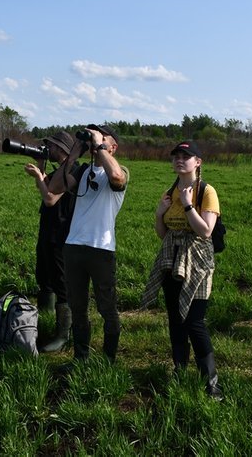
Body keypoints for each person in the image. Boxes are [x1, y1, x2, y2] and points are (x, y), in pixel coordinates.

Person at [142, 140, 223, 399]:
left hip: (197, 262)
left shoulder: (206, 191)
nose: (179, 159)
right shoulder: (169, 191)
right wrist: (159, 214)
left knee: (194, 322)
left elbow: (206, 231)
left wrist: (188, 205)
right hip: (171, 259)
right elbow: (162, 233)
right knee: (176, 320)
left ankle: (211, 382)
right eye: (176, 155)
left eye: (185, 156)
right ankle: (179, 372)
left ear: (198, 162)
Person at [47, 124, 128, 362]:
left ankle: (108, 360)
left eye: (102, 138)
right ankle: (80, 358)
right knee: (78, 307)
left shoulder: (120, 169)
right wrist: (73, 154)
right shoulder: (82, 171)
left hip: (101, 248)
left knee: (106, 307)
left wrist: (99, 144)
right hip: (73, 246)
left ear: (113, 147)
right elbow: (54, 188)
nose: (94, 142)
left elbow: (116, 178)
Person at [23, 131, 78, 353]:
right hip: (48, 229)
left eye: (51, 146)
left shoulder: (72, 171)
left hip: (61, 233)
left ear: (62, 148)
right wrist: (41, 166)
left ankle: (63, 334)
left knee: (60, 282)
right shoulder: (59, 171)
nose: (48, 149)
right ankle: (44, 321)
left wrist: (38, 176)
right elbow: (47, 187)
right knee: (44, 275)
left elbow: (50, 198)